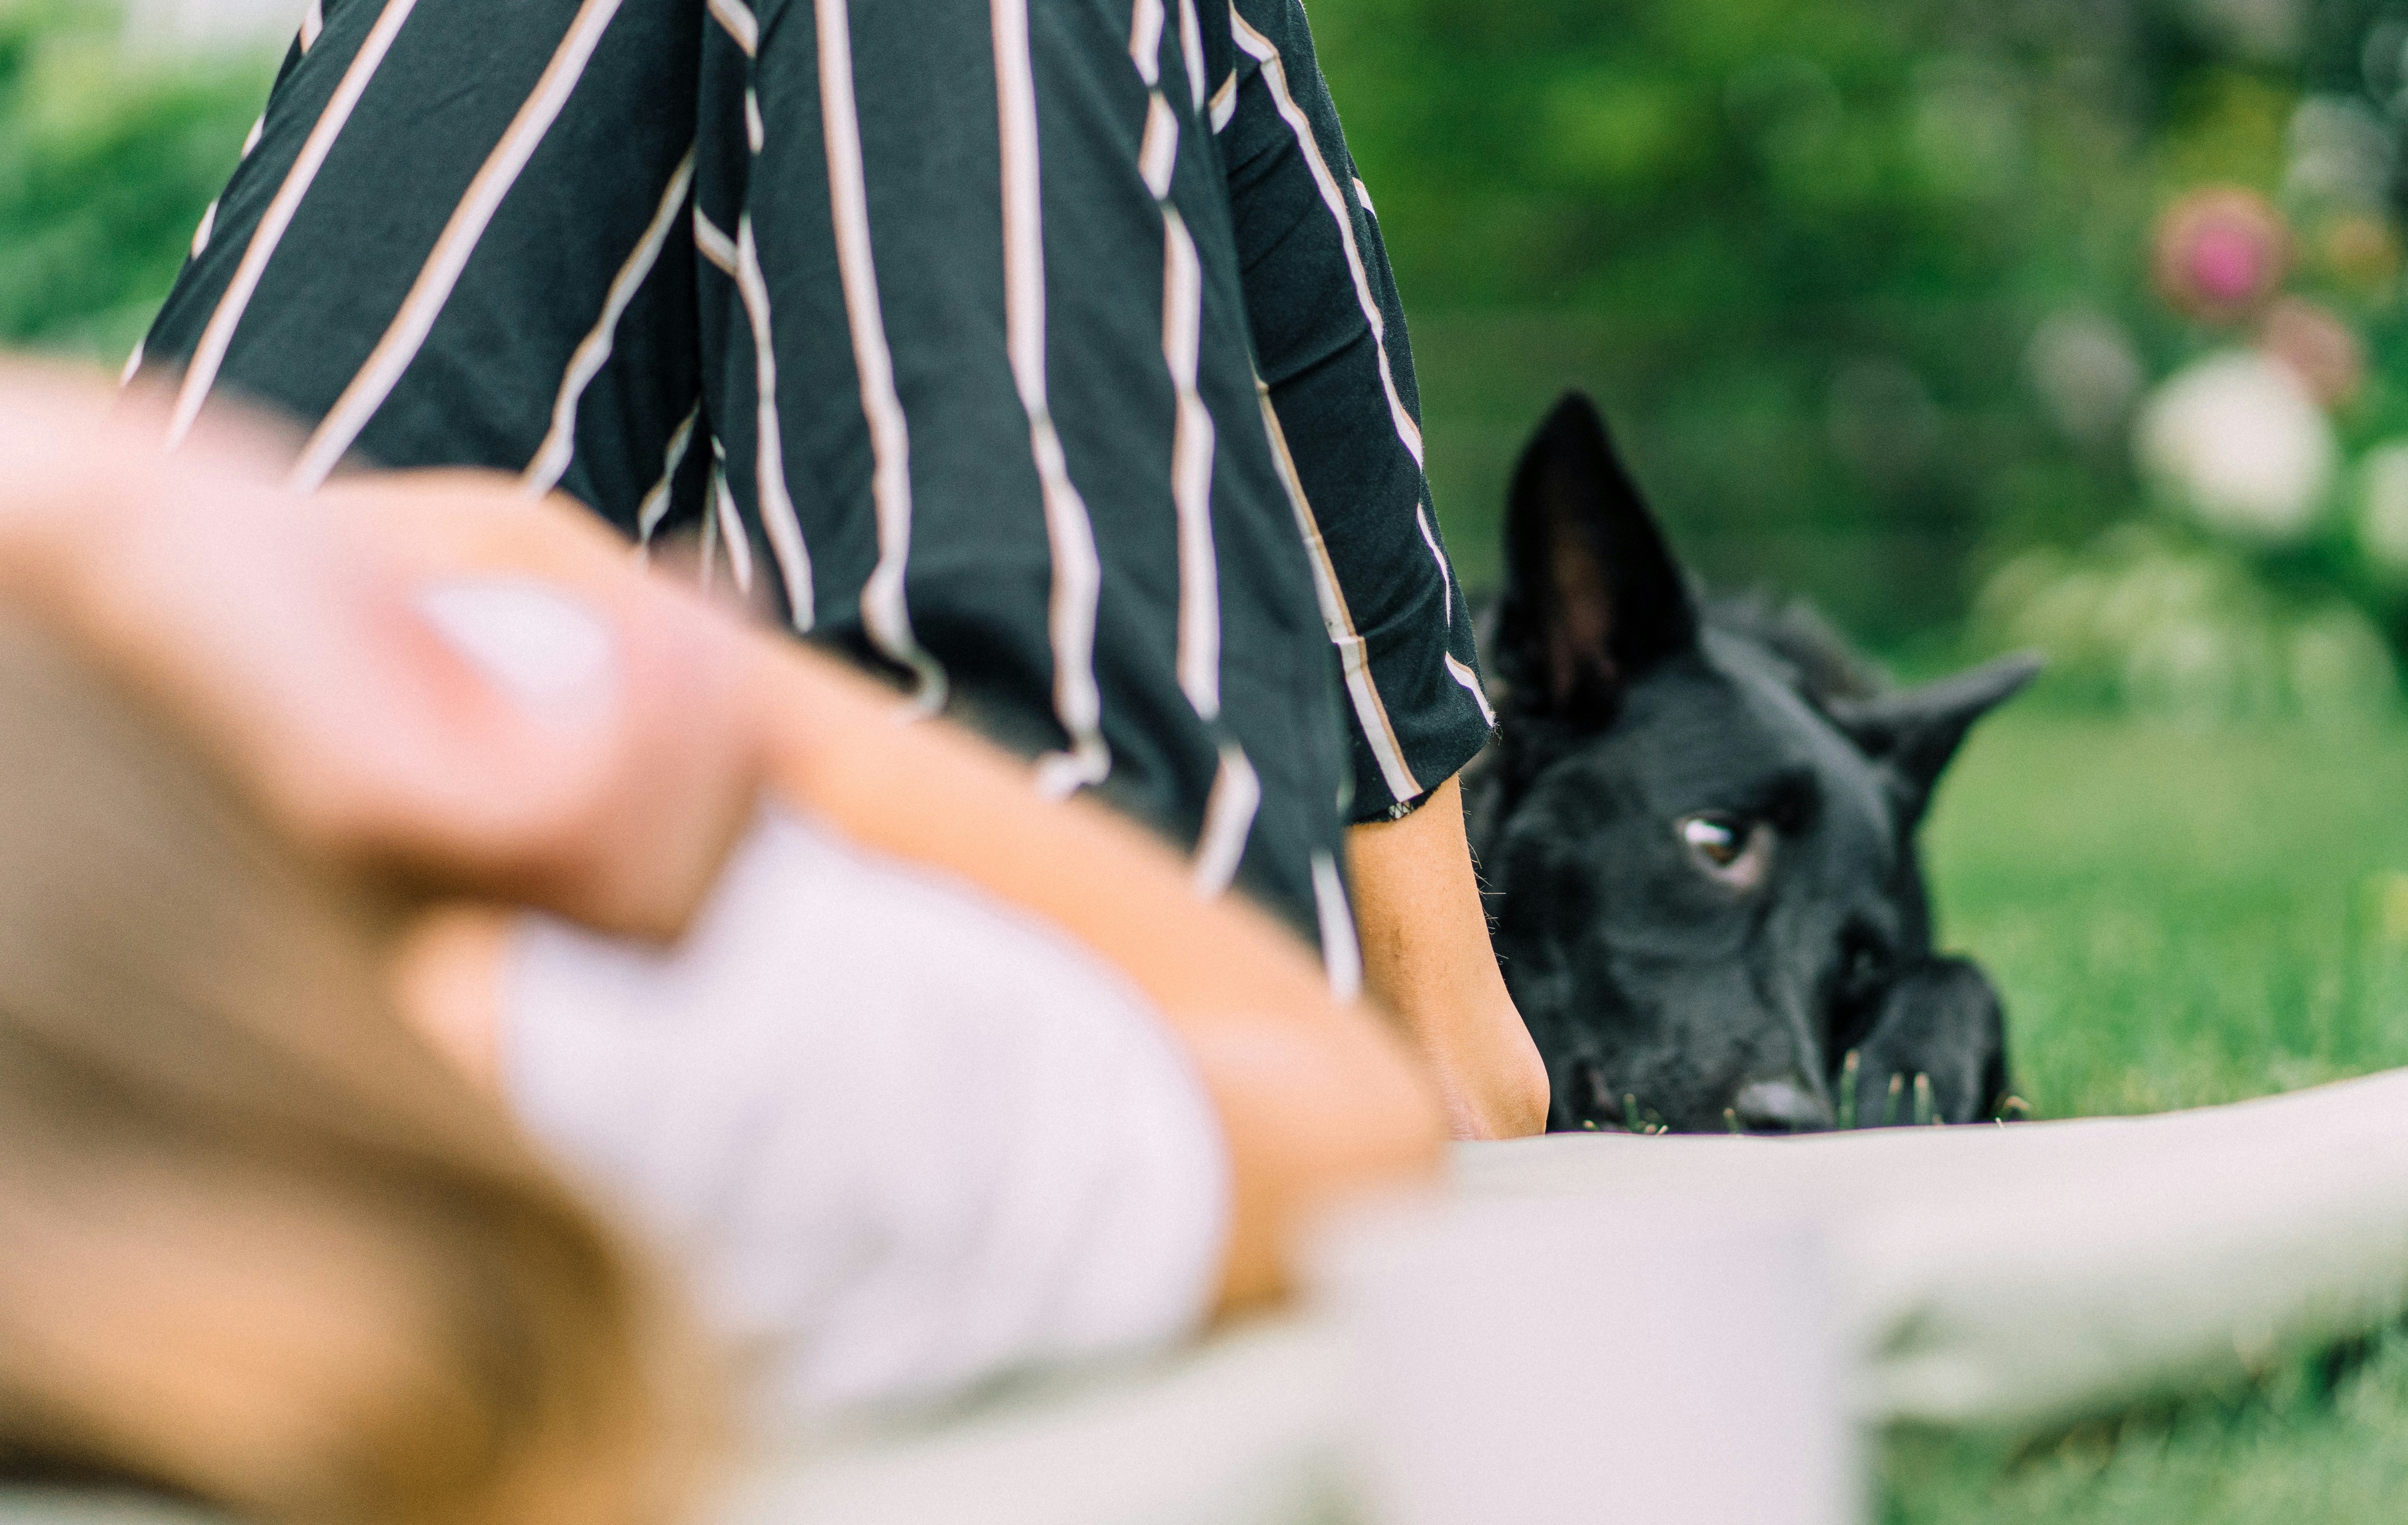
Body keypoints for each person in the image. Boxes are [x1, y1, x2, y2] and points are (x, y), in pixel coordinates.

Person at [122, 0, 1545, 1139]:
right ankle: (1419, 975)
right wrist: (673, 660)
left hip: (117, 812)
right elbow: (1285, 1117)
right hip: (208, 1044)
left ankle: (1424, 980)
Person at [0, 378, 1445, 1524]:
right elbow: (1346, 1120)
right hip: (245, 721)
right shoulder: (584, 1020)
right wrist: (549, 583)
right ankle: (1441, 944)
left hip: (166, 731)